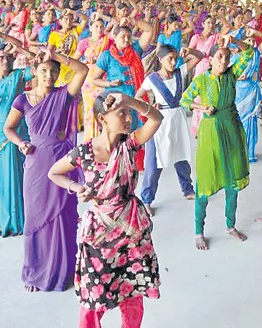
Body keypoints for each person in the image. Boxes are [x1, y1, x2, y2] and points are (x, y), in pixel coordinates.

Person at [48, 92, 162, 328]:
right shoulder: (84, 153)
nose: (128, 118)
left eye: (128, 113)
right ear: (102, 119)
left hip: (131, 230)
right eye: (121, 113)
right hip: (99, 233)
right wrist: (76, 187)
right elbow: (54, 173)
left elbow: (156, 119)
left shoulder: (129, 145)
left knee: (132, 290)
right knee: (94, 295)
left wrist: (129, 101)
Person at [3, 51, 88, 292]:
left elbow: (83, 71)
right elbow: (9, 128)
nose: (49, 75)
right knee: (35, 219)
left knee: (63, 218)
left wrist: (55, 55)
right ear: (35, 73)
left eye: (54, 71)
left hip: (62, 162)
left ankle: (65, 272)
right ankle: (34, 272)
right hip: (35, 163)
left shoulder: (64, 94)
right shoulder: (23, 99)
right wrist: (21, 143)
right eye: (44, 70)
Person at [180, 35, 254, 251]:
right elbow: (184, 100)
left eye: (227, 57)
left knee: (233, 181)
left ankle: (230, 226)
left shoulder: (232, 75)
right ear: (210, 59)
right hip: (211, 131)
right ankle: (198, 231)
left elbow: (248, 53)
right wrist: (201, 108)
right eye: (220, 57)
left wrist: (235, 41)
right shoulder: (201, 79)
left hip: (232, 129)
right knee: (205, 181)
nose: (223, 61)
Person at [0, 40, 36, 236]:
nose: (5, 61)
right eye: (1, 57)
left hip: (16, 133)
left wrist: (18, 47)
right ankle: (2, 220)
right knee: (1, 180)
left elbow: (36, 67)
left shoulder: (18, 76)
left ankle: (21, 221)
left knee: (17, 177)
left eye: (9, 58)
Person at [135, 45, 200, 215]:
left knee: (181, 154)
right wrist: (149, 108)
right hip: (160, 120)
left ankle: (187, 189)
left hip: (177, 117)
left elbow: (199, 56)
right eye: (169, 59)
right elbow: (137, 96)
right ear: (160, 59)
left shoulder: (180, 72)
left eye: (175, 58)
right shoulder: (152, 79)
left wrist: (189, 52)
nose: (173, 62)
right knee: (153, 162)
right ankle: (147, 199)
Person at [91, 22, 154, 170]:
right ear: (115, 37)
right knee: (118, 134)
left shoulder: (135, 50)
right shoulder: (106, 56)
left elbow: (150, 30)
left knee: (138, 135)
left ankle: (134, 164)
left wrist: (131, 19)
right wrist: (110, 84)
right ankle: (116, 164)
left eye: (128, 37)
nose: (126, 40)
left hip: (136, 100)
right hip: (118, 103)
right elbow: (95, 79)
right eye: (122, 36)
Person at [187, 14, 231, 136]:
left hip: (212, 69)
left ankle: (209, 126)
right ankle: (198, 128)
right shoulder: (196, 37)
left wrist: (219, 15)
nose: (210, 25)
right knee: (198, 99)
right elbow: (189, 53)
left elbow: (228, 27)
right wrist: (200, 55)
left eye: (212, 23)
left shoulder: (215, 37)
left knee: (211, 98)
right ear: (203, 24)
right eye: (208, 23)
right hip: (200, 68)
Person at [75, 16, 112, 141]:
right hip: (89, 80)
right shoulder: (84, 42)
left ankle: (106, 138)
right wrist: (86, 61)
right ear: (90, 28)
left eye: (101, 26)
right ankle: (91, 140)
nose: (99, 29)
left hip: (104, 77)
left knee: (106, 108)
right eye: (96, 26)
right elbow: (75, 60)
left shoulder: (108, 41)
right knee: (90, 110)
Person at [233, 32, 262, 163]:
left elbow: (256, 73)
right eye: (247, 40)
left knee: (250, 120)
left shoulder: (256, 55)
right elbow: (228, 75)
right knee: (238, 120)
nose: (250, 43)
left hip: (251, 89)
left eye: (252, 40)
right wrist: (238, 77)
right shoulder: (235, 58)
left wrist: (254, 31)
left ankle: (249, 152)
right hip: (238, 91)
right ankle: (237, 150)